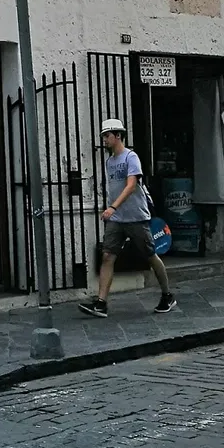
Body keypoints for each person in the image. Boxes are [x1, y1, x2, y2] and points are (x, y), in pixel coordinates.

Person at [80, 119, 176, 317]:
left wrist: (112, 207)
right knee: (107, 256)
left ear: (118, 135)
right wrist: (111, 209)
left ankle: (167, 295)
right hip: (116, 219)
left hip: (135, 217)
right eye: (103, 136)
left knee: (150, 255)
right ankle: (101, 303)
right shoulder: (109, 162)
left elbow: (131, 186)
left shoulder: (131, 158)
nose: (104, 140)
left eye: (107, 135)